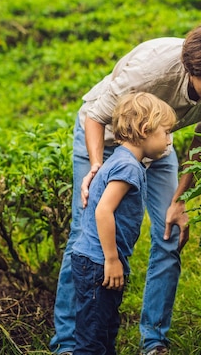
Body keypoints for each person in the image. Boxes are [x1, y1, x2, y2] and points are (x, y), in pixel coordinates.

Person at [50, 20, 201, 355]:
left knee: (169, 234)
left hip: (158, 144)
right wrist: (98, 168)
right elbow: (96, 116)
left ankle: (155, 341)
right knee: (83, 235)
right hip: (105, 137)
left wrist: (181, 199)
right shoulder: (151, 72)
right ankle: (68, 344)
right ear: (190, 70)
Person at [71, 92, 177, 354]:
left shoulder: (120, 160)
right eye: (166, 132)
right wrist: (112, 259)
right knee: (93, 337)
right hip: (98, 263)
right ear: (145, 129)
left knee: (105, 328)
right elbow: (103, 211)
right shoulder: (127, 167)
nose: (169, 141)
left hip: (94, 262)